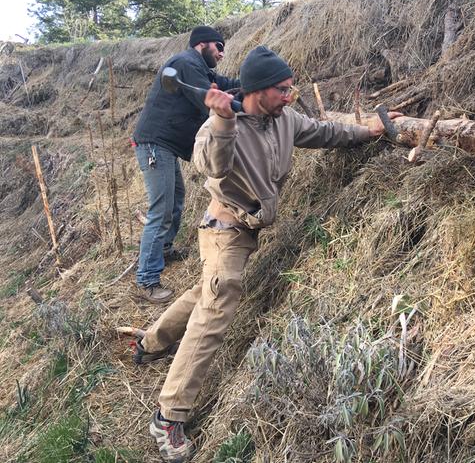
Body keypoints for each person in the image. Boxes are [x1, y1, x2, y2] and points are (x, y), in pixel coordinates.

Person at [132, 46, 401, 462]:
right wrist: (222, 119)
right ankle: (168, 415)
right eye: (283, 89)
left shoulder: (285, 119)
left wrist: (369, 132)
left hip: (247, 229)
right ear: (259, 90)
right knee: (219, 302)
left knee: (208, 289)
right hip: (225, 229)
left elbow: (325, 133)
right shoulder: (223, 124)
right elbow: (212, 166)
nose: (290, 96)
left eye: (292, 88)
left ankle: (151, 343)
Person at [132, 25, 240, 303]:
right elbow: (209, 100)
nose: (222, 54)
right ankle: (146, 281)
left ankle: (163, 249)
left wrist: (253, 85)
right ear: (203, 44)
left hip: (163, 145)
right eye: (219, 48)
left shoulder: (196, 68)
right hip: (156, 145)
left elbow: (223, 83)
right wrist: (242, 106)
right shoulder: (185, 62)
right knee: (161, 209)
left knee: (176, 199)